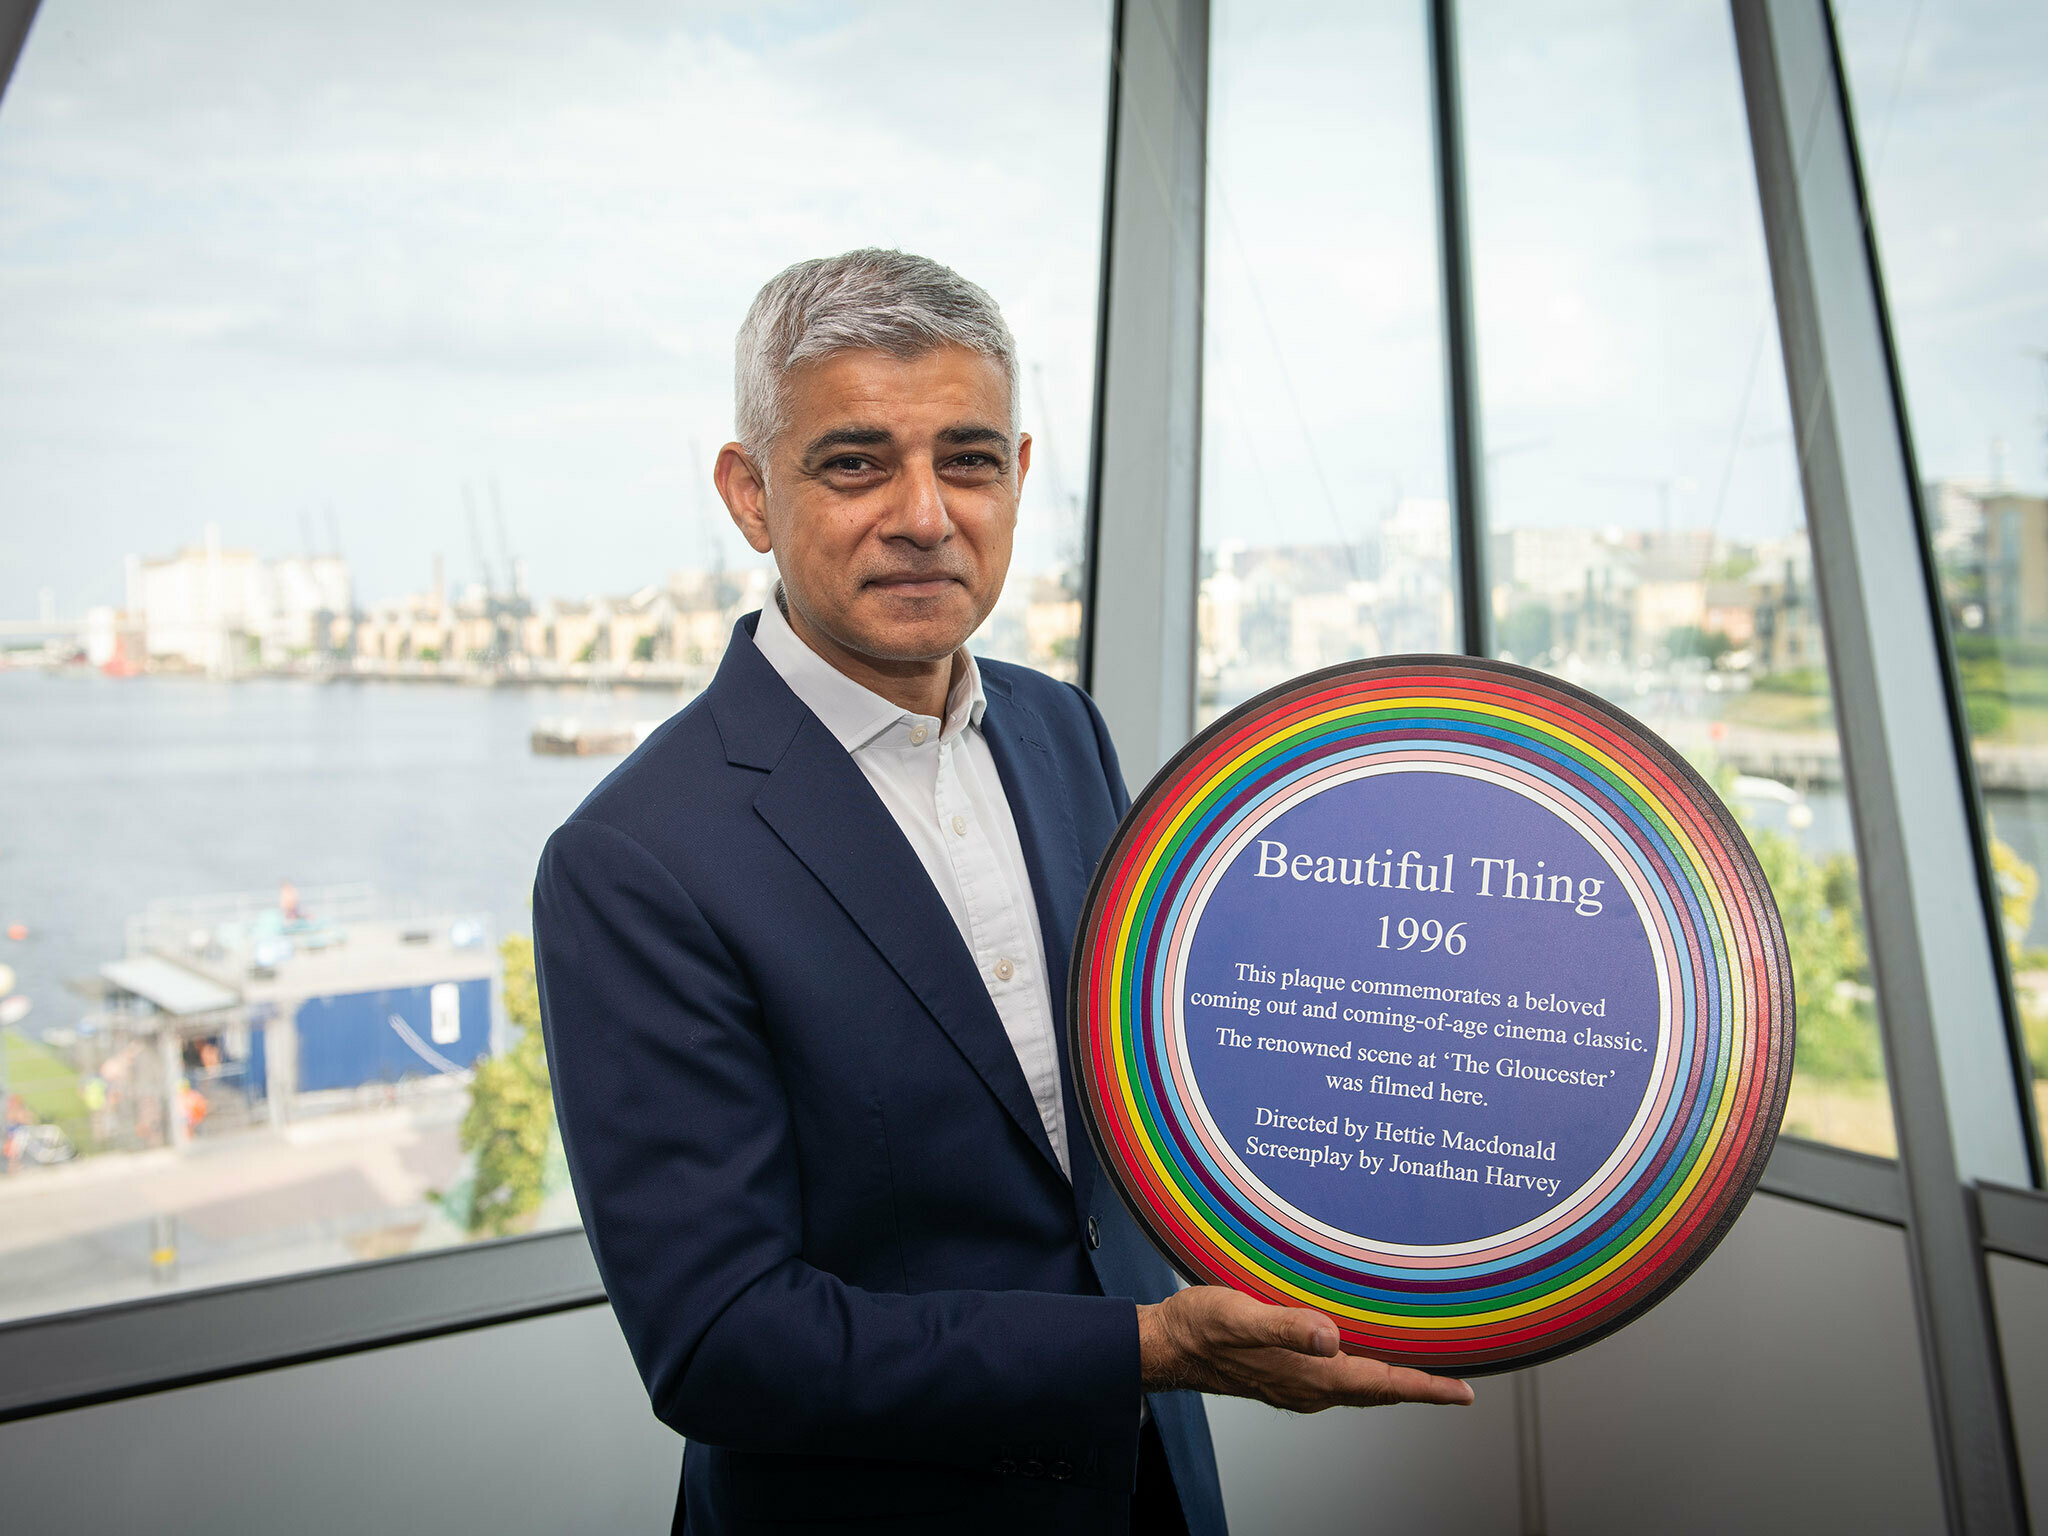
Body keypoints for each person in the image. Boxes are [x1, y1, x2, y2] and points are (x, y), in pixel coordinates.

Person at [534, 250, 1472, 1536]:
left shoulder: (1060, 730)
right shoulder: (635, 861)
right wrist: (1143, 1350)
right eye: (855, 462)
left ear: (1019, 478)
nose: (924, 514)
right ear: (749, 495)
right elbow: (721, 1342)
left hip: (1148, 1491)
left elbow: (1153, 1103)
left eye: (967, 460)